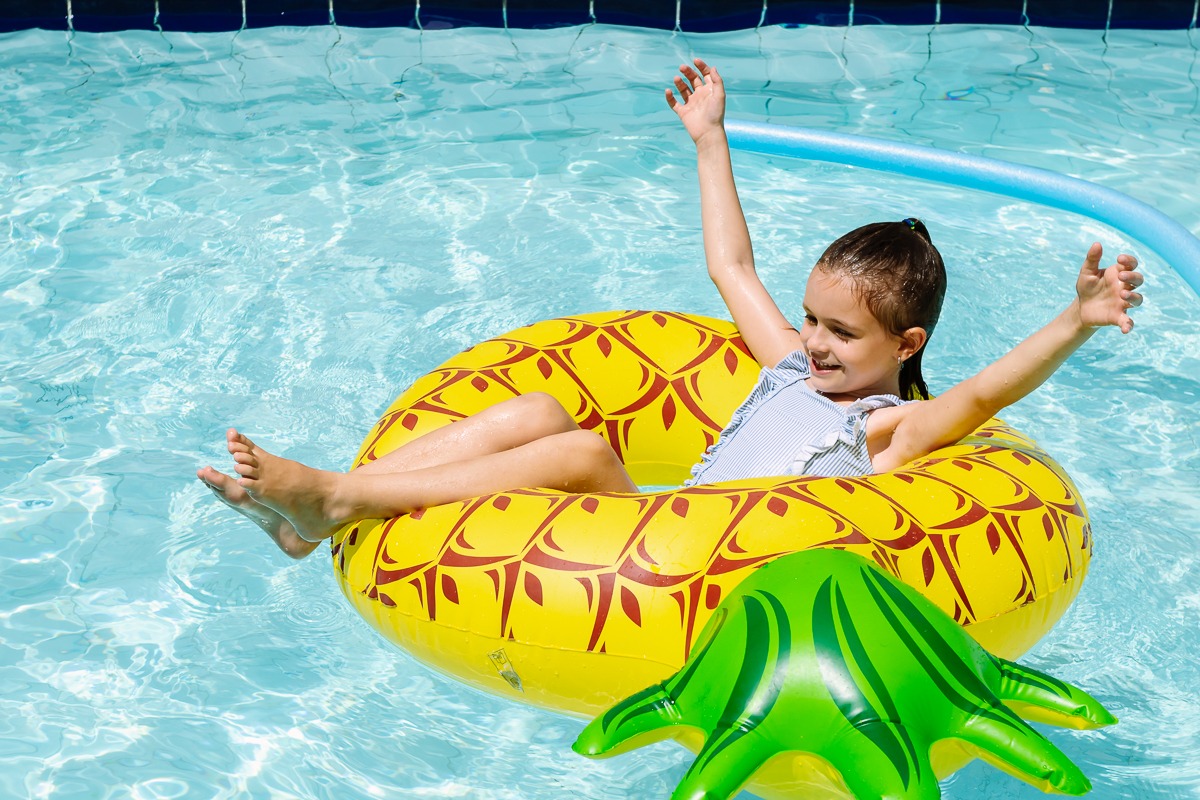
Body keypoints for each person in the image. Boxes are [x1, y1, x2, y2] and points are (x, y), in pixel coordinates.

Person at [197, 58, 1144, 559]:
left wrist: (1075, 319)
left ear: (905, 345)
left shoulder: (885, 427)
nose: (812, 341)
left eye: (841, 332)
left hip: (700, 566)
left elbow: (980, 398)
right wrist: (709, 140)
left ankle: (335, 499)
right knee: (537, 414)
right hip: (661, 529)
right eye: (812, 318)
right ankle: (310, 523)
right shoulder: (790, 366)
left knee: (584, 452)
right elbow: (733, 266)